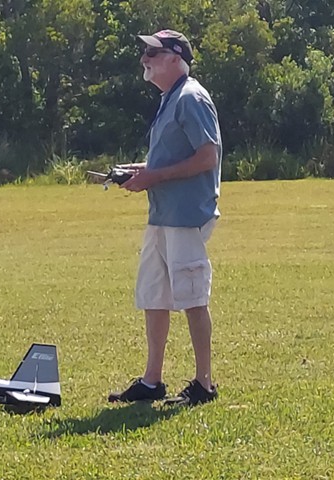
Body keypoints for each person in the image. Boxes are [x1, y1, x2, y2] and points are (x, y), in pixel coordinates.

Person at [108, 29, 222, 406]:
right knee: (154, 295)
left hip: (185, 216)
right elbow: (173, 157)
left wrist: (153, 177)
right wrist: (141, 170)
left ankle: (204, 384)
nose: (145, 58)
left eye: (153, 52)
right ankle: (151, 381)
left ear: (176, 58)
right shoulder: (170, 98)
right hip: (162, 215)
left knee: (192, 297)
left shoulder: (191, 97)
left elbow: (207, 157)